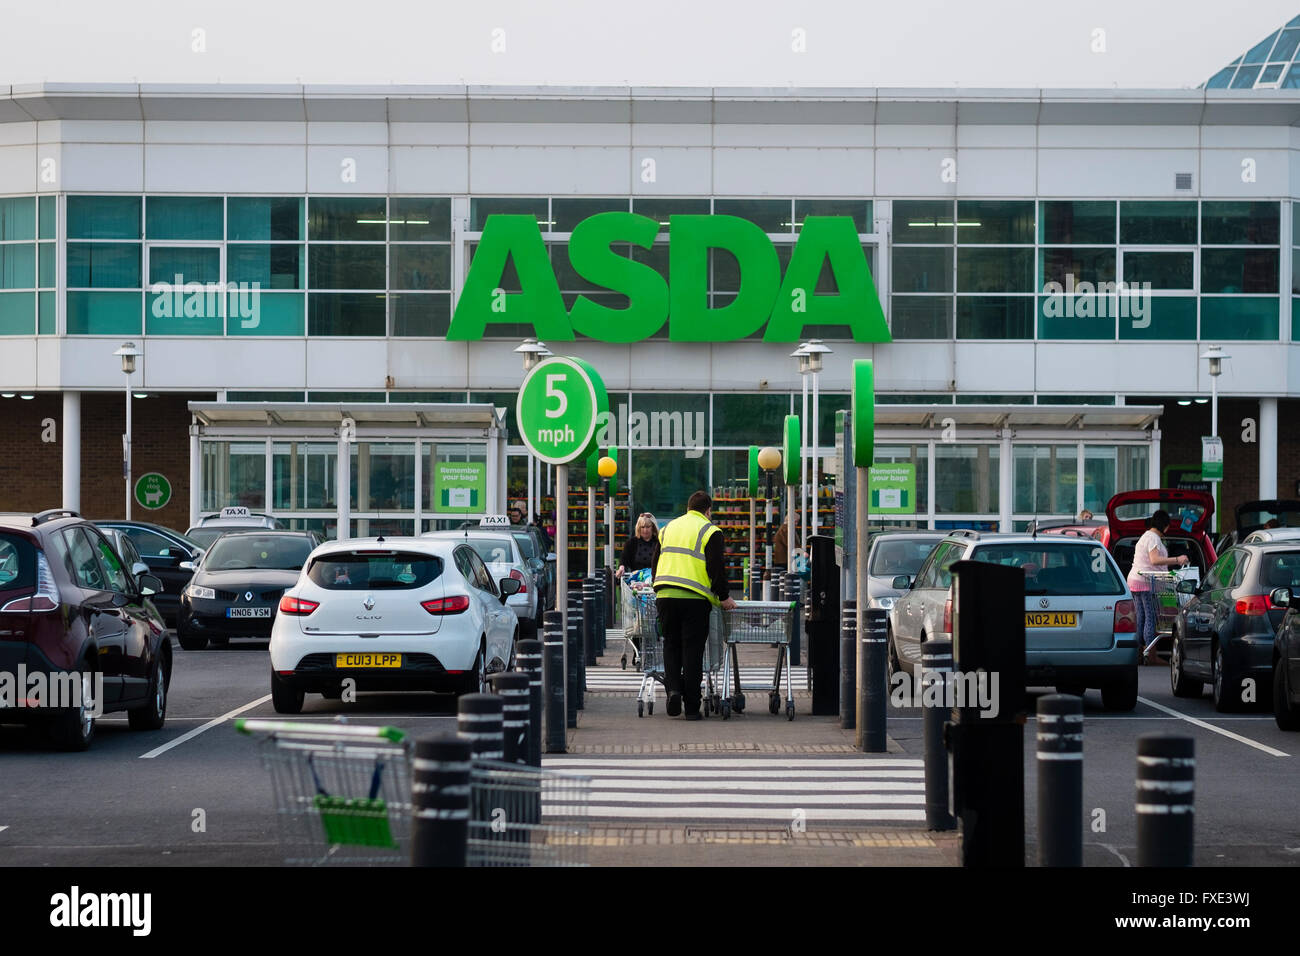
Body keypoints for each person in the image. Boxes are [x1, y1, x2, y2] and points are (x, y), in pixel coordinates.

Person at [653, 491, 737, 720]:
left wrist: (657, 587)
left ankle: (673, 691)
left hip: (666, 595)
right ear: (708, 510)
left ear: (688, 507)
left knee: (671, 646)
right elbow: (716, 568)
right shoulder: (711, 531)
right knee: (693, 652)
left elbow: (656, 562)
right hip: (695, 598)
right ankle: (691, 708)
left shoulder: (668, 528)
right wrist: (724, 597)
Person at [1127, 509, 1189, 663]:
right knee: (1150, 618)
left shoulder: (1145, 536)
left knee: (1140, 617)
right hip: (1146, 582)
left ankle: (1139, 653)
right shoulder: (1154, 538)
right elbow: (1154, 560)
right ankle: (1151, 655)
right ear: (1165, 526)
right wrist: (1177, 559)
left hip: (1135, 580)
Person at [617, 512, 660, 578]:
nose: (645, 530)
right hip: (636, 580)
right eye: (642, 527)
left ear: (653, 527)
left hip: (655, 579)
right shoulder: (631, 542)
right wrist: (621, 567)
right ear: (638, 528)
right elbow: (624, 558)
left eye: (648, 527)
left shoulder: (659, 542)